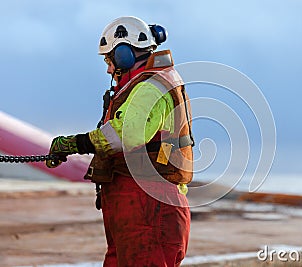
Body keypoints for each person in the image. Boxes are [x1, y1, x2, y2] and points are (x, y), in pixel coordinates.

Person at [46, 16, 194, 267]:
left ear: (125, 54)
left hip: (149, 205)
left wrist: (74, 144)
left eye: (110, 60)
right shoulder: (144, 85)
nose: (108, 69)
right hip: (137, 205)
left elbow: (125, 135)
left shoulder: (152, 87)